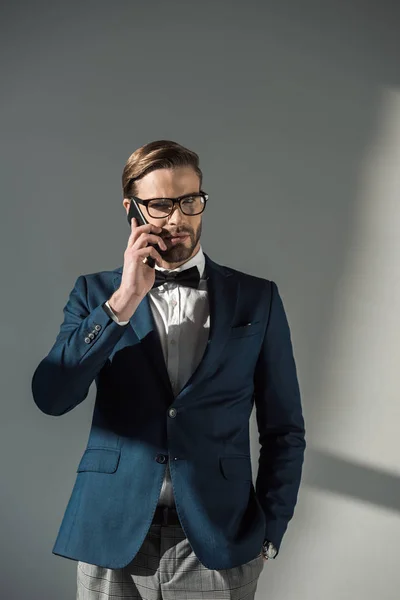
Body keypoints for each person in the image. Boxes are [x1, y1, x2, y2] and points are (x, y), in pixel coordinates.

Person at [31, 139, 306, 599]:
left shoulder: (258, 299)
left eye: (189, 201)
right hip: (110, 532)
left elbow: (285, 430)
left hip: (218, 540)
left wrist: (269, 532)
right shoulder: (95, 293)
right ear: (131, 209)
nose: (177, 218)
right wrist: (122, 302)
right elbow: (52, 396)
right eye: (160, 205)